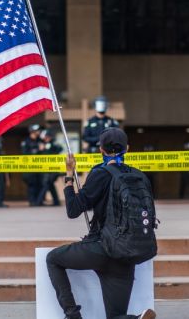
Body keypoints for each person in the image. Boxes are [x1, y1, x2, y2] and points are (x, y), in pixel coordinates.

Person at [46, 127, 157, 319]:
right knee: (115, 316)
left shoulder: (100, 174)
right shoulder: (140, 176)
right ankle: (136, 318)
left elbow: (73, 210)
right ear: (127, 148)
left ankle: (73, 315)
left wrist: (69, 175)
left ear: (101, 150)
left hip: (102, 249)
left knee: (53, 259)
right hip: (128, 254)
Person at [36, 129, 63, 206]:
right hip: (46, 168)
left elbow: (59, 149)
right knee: (50, 185)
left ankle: (39, 201)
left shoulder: (54, 143)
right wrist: (40, 149)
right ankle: (56, 201)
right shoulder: (42, 144)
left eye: (46, 137)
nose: (45, 139)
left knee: (46, 184)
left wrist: (47, 148)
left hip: (53, 169)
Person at [21, 124, 43, 206]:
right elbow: (25, 154)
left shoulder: (39, 141)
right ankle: (32, 201)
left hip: (39, 168)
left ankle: (38, 201)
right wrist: (37, 149)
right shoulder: (26, 142)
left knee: (39, 184)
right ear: (32, 131)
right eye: (37, 130)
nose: (38, 132)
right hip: (29, 168)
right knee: (31, 185)